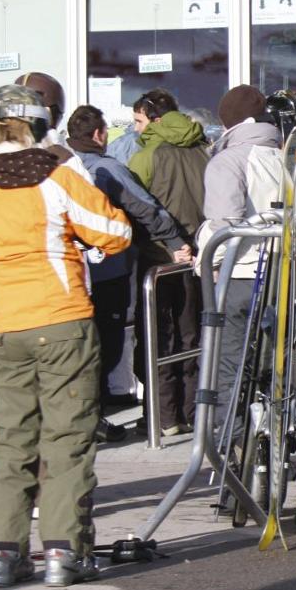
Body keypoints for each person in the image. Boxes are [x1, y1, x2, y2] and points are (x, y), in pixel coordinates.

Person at [0, 84, 131, 587]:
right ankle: (63, 550)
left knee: (9, 438)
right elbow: (113, 233)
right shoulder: (55, 177)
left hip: (2, 324)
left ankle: (2, 553)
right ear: (39, 125)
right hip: (60, 318)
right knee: (67, 439)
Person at [65, 105, 192, 440]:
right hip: (108, 268)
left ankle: (83, 416)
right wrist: (175, 241)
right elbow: (145, 207)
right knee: (106, 344)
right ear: (98, 135)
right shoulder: (107, 169)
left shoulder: (61, 169)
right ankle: (89, 418)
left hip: (71, 273)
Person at [196, 85, 284, 441]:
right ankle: (273, 444)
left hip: (241, 275)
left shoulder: (228, 160)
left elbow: (225, 226)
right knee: (273, 367)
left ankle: (231, 448)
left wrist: (206, 260)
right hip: (284, 273)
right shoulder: (287, 157)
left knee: (229, 366)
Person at [127, 89, 208, 437]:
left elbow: (132, 205)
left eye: (138, 121)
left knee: (158, 336)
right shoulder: (204, 150)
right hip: (199, 253)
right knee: (192, 334)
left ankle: (164, 416)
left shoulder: (146, 157)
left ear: (154, 119)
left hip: (158, 256)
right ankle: (192, 410)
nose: (134, 129)